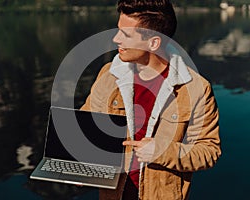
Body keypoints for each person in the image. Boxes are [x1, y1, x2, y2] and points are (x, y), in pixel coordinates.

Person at [80, 0, 221, 199]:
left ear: (153, 42)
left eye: (126, 34)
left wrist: (162, 151)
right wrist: (78, 164)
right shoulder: (108, 76)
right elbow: (87, 126)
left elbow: (209, 151)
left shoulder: (197, 88)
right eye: (118, 30)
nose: (116, 39)